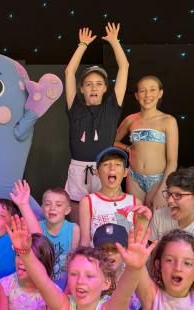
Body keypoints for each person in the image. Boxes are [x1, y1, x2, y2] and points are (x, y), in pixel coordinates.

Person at [7, 215, 156, 310]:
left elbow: (123, 293)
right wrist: (25, 253)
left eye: (90, 276)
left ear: (106, 283)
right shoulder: (65, 305)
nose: (80, 281)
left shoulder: (109, 308)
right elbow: (43, 281)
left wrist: (134, 268)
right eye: (73, 274)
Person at [64, 23, 129, 224]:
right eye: (89, 84)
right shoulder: (75, 107)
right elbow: (69, 72)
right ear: (82, 88)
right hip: (78, 170)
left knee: (104, 219)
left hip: (105, 169)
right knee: (77, 217)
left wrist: (114, 42)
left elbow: (124, 67)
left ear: (105, 88)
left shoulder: (112, 107)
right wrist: (82, 45)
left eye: (99, 83)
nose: (94, 87)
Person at [115, 75, 178, 210]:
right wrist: (127, 148)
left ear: (160, 93)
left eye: (152, 89)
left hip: (158, 180)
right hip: (134, 178)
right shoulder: (131, 120)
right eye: (142, 90)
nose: (147, 94)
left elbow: (172, 161)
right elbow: (111, 141)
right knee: (137, 219)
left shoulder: (168, 120)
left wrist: (164, 188)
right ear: (137, 95)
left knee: (155, 221)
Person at [79, 147, 147, 246]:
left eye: (118, 164)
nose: (112, 168)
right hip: (98, 260)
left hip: (126, 260)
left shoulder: (135, 202)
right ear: (97, 172)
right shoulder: (88, 202)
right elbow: (85, 242)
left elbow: (139, 242)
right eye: (106, 164)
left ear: (125, 172)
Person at [136, 229, 194, 309]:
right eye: (169, 260)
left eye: (187, 263)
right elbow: (136, 260)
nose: (178, 268)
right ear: (159, 265)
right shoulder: (153, 296)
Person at [0, 233, 55, 310]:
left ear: (41, 264)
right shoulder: (5, 286)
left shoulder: (51, 291)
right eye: (18, 255)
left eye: (27, 259)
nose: (20, 262)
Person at [38, 187, 79, 289]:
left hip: (63, 283)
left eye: (58, 205)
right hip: (39, 282)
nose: (52, 208)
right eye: (48, 204)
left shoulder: (74, 229)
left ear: (67, 210)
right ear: (42, 208)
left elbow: (73, 259)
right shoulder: (36, 227)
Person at [93, 223, 141, 310]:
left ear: (126, 250)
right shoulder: (90, 280)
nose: (109, 253)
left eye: (115, 249)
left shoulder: (135, 278)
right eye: (103, 249)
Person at [150, 167, 194, 241]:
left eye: (178, 195)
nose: (169, 200)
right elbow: (151, 250)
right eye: (168, 193)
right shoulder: (159, 216)